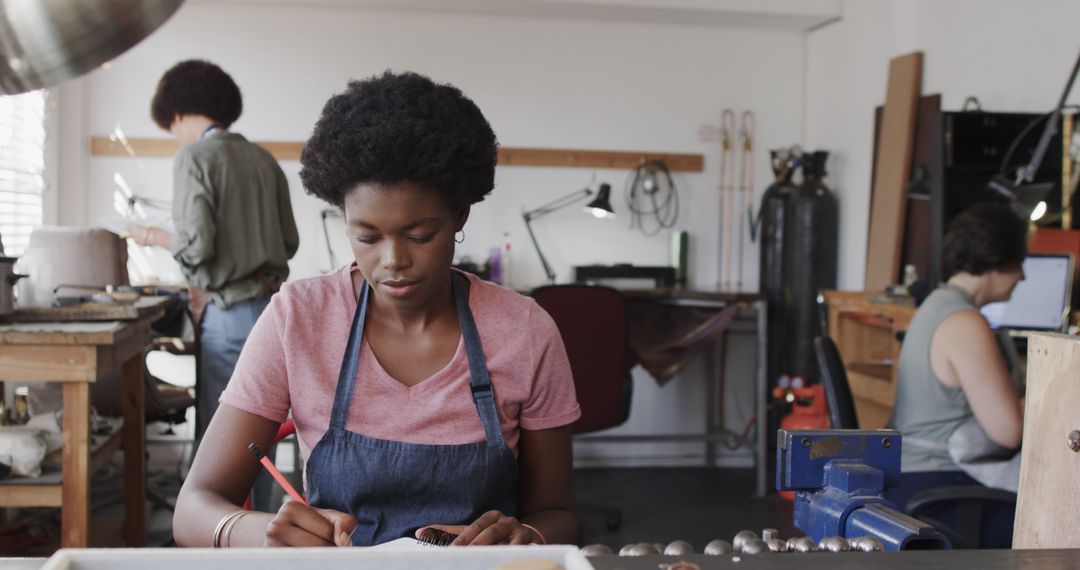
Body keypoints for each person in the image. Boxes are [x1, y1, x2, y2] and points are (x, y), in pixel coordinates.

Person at [173, 71, 581, 548]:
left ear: (460, 216)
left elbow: (560, 515)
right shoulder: (298, 318)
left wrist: (526, 534)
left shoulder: (524, 330)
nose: (393, 261)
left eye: (419, 235)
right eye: (366, 236)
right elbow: (193, 508)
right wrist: (260, 534)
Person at [127, 59, 299, 509]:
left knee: (221, 446)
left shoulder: (194, 158)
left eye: (172, 125)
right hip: (271, 312)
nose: (175, 134)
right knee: (260, 442)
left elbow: (196, 248)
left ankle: (215, 549)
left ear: (180, 114)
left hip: (228, 315)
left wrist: (149, 236)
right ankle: (260, 537)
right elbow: (289, 241)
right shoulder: (264, 160)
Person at [890, 201, 1026, 488]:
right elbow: (1009, 431)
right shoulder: (965, 323)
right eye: (1018, 263)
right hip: (941, 484)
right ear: (996, 258)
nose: (1021, 277)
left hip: (915, 477)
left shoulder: (936, 304)